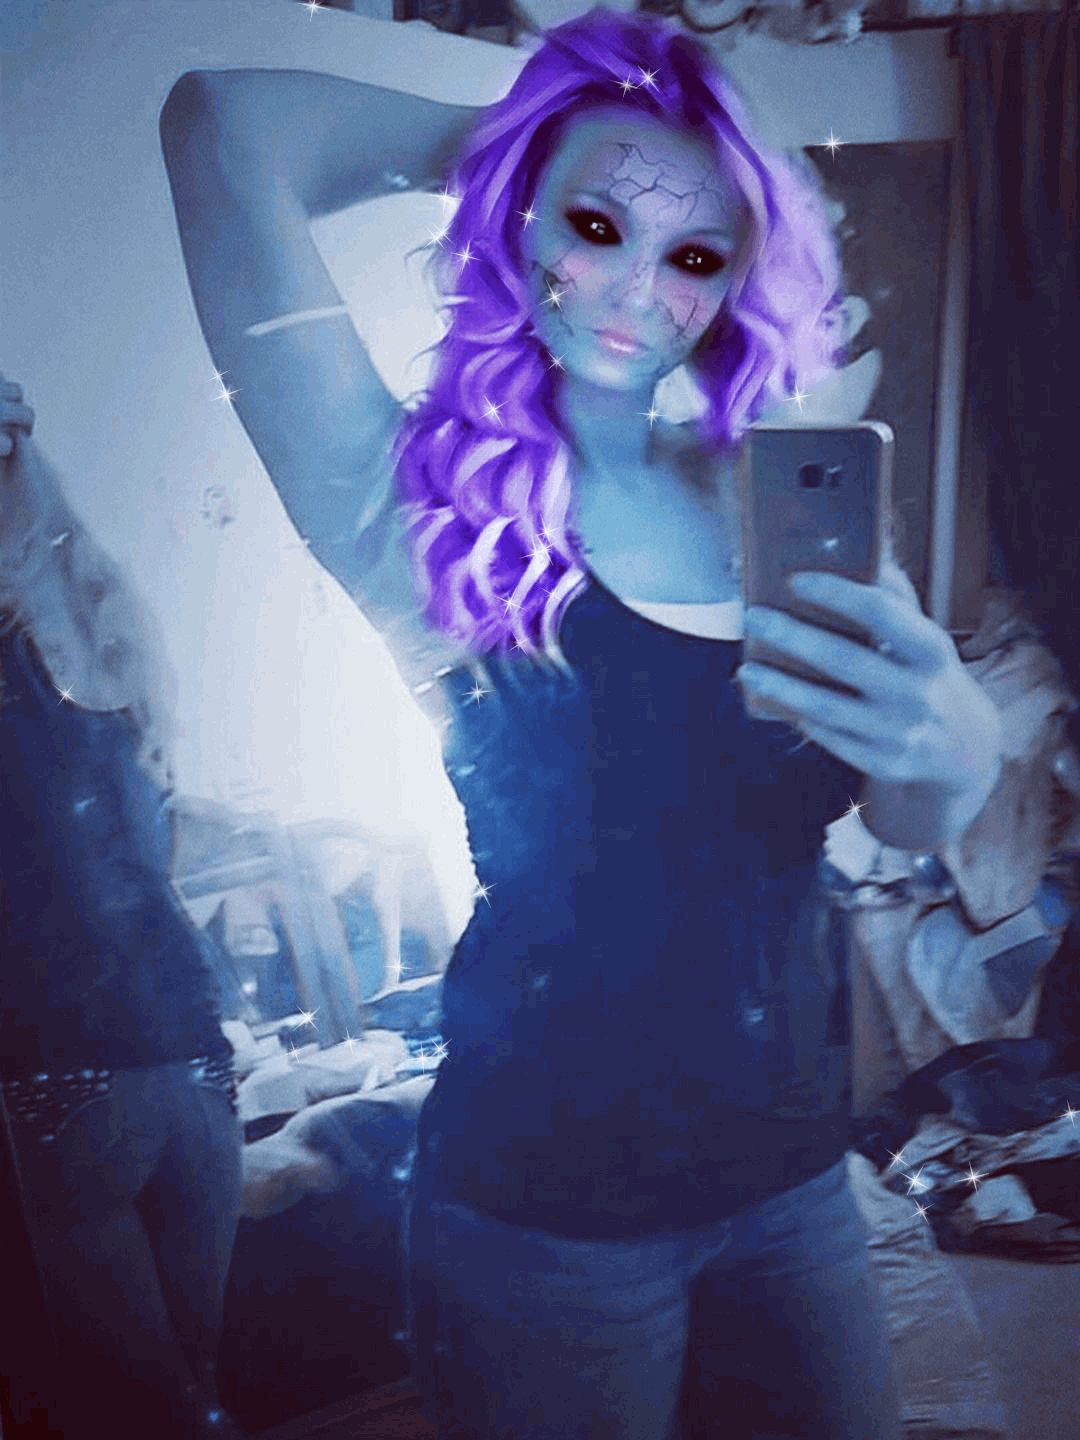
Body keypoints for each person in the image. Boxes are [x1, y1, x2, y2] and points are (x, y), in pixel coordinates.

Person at [159, 10, 1004, 1437]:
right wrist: (523, 149)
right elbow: (220, 122)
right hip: (550, 1217)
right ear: (522, 218)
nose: (633, 287)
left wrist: (964, 757)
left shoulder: (775, 494)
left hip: (800, 1176)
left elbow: (897, 809)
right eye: (595, 227)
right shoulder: (421, 503)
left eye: (694, 254)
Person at [0, 377, 248, 1440]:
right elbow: (159, 849)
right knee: (192, 1387)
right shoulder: (113, 642)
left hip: (59, 1064)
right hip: (194, 1057)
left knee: (140, 1413)